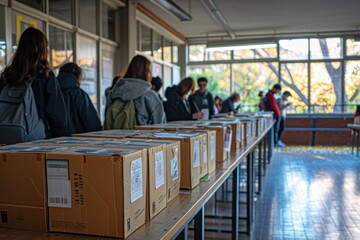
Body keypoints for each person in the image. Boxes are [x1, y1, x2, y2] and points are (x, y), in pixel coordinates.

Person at [0, 27, 68, 139]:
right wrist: (61, 140)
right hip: (36, 140)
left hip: (5, 139)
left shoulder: (7, 75)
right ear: (42, 49)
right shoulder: (45, 75)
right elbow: (56, 114)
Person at [105, 55, 166, 128]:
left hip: (113, 137)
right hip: (143, 138)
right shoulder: (151, 96)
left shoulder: (114, 93)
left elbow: (107, 120)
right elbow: (161, 125)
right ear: (146, 73)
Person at [57, 62, 102, 134]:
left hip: (54, 140)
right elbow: (91, 122)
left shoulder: (52, 92)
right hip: (78, 140)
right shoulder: (79, 94)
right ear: (78, 76)